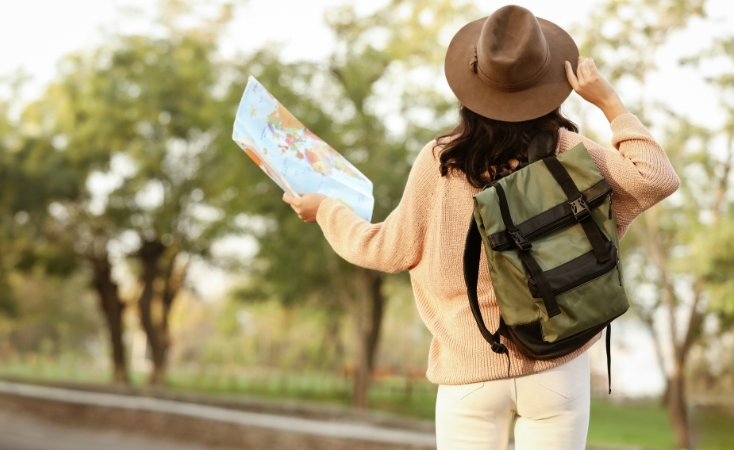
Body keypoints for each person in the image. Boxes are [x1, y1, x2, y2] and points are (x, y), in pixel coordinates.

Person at [283, 5, 679, 450]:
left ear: (472, 86)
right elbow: (657, 178)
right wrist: (609, 102)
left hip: (470, 370)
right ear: (549, 84)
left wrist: (326, 210)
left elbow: (384, 249)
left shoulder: (441, 162)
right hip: (558, 362)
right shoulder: (570, 153)